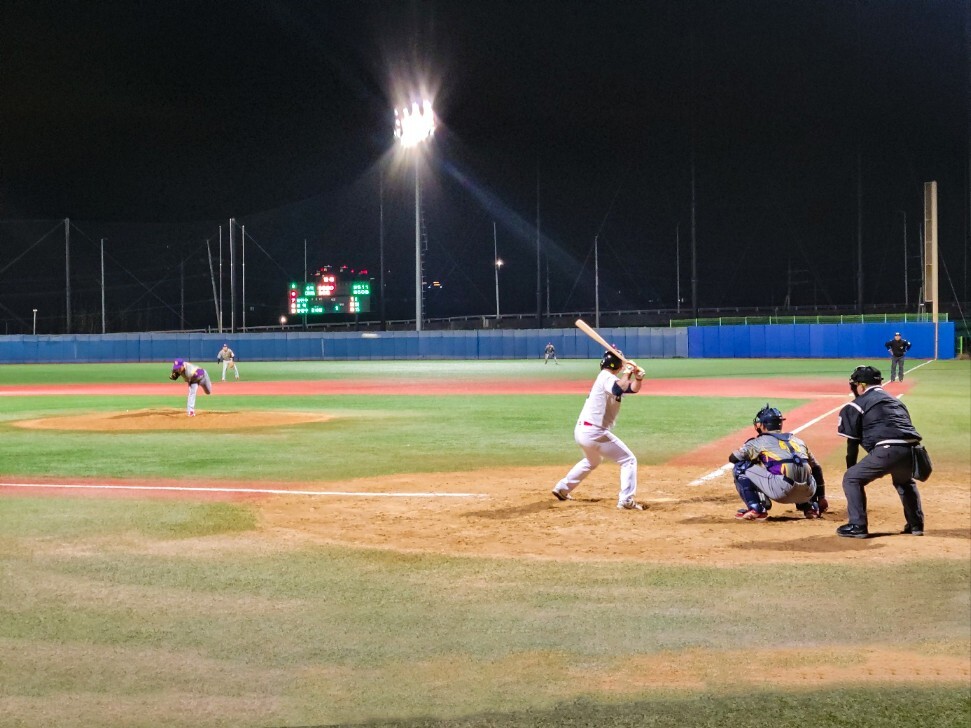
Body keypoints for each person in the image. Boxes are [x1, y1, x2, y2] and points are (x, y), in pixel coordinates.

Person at [835, 365, 925, 538]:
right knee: (905, 482)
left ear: (861, 385)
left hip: (887, 450)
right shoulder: (896, 401)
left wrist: (851, 468)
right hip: (912, 451)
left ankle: (857, 525)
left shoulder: (857, 405)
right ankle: (916, 525)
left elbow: (852, 443)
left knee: (851, 478)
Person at [552, 349, 645, 510]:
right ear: (617, 365)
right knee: (628, 460)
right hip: (594, 432)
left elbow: (631, 389)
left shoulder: (610, 379)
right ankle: (626, 500)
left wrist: (638, 378)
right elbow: (618, 389)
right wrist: (628, 372)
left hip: (584, 431)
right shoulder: (606, 377)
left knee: (592, 461)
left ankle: (563, 488)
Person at [728, 404, 827, 521]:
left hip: (781, 491)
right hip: (807, 492)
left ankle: (756, 508)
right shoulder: (798, 441)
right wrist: (821, 497)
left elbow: (734, 458)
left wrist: (756, 459)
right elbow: (817, 469)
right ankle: (811, 507)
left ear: (763, 425)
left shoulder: (759, 441)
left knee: (740, 466)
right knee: (801, 468)